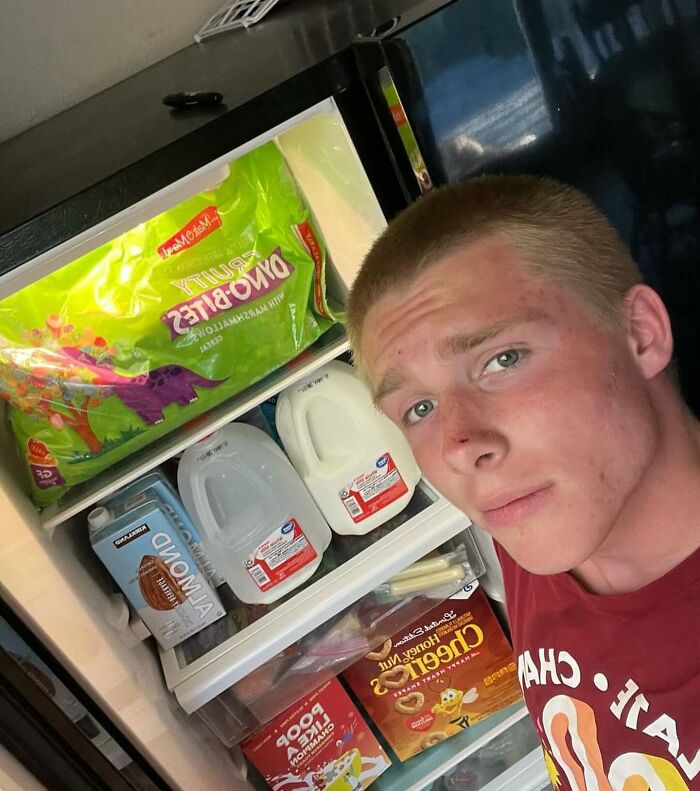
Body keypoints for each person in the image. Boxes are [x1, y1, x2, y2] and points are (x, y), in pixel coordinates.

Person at [346, 175, 700, 790]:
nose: (461, 448)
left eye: (501, 360)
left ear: (640, 334)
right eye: (419, 410)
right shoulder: (539, 527)